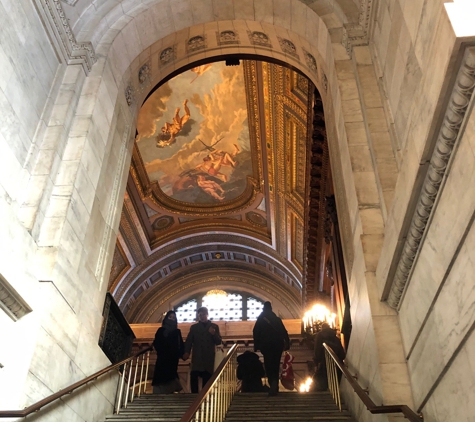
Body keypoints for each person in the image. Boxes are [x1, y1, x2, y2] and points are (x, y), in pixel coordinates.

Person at [253, 301, 290, 396]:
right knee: (276, 365)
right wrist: (287, 343)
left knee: (269, 365)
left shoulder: (261, 319)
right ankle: (275, 385)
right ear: (271, 308)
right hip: (278, 345)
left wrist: (256, 346)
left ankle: (273, 385)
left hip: (266, 346)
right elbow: (283, 331)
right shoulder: (277, 319)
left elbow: (256, 332)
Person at [183, 307, 222, 393]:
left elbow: (218, 341)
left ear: (207, 315)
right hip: (197, 355)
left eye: (204, 314)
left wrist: (213, 334)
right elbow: (189, 341)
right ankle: (194, 395)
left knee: (207, 377)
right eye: (200, 315)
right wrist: (186, 352)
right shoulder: (194, 327)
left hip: (208, 356)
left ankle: (204, 394)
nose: (202, 317)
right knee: (194, 375)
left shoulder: (214, 326)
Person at [151, 310, 185, 394]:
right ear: (166, 318)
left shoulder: (177, 332)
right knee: (161, 373)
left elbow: (180, 343)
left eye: (173, 318)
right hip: (162, 357)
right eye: (170, 317)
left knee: (171, 374)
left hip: (173, 358)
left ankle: (170, 390)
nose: (172, 319)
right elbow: (157, 342)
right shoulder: (161, 330)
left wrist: (181, 354)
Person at [313, 323, 345, 391]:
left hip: (324, 362)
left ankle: (326, 392)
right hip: (336, 363)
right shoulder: (335, 337)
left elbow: (317, 349)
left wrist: (316, 361)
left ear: (322, 328)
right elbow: (342, 353)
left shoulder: (320, 335)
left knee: (323, 379)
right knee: (334, 378)